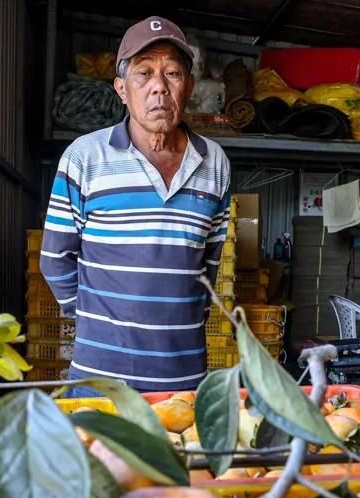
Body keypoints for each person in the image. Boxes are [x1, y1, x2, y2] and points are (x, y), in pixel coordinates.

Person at [40, 16, 232, 396]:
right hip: (101, 379)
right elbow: (54, 258)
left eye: (173, 73)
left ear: (189, 86)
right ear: (122, 90)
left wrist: (176, 321)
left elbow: (209, 263)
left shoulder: (215, 163)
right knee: (98, 457)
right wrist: (100, 322)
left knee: (179, 457)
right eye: (143, 73)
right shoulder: (84, 157)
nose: (159, 87)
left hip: (184, 378)